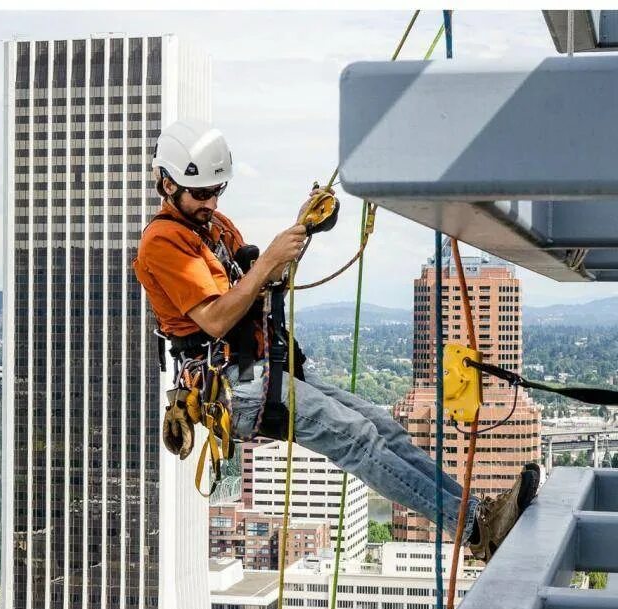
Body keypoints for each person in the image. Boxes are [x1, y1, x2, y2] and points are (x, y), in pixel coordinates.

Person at [131, 119, 539, 563]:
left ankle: (476, 512)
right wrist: (268, 261)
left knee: (385, 428)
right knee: (359, 439)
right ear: (167, 183)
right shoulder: (163, 242)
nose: (211, 202)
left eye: (217, 191)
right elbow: (213, 318)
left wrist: (301, 230)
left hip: (267, 366)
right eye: (201, 193)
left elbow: (259, 281)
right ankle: (477, 528)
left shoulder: (213, 227)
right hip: (237, 385)